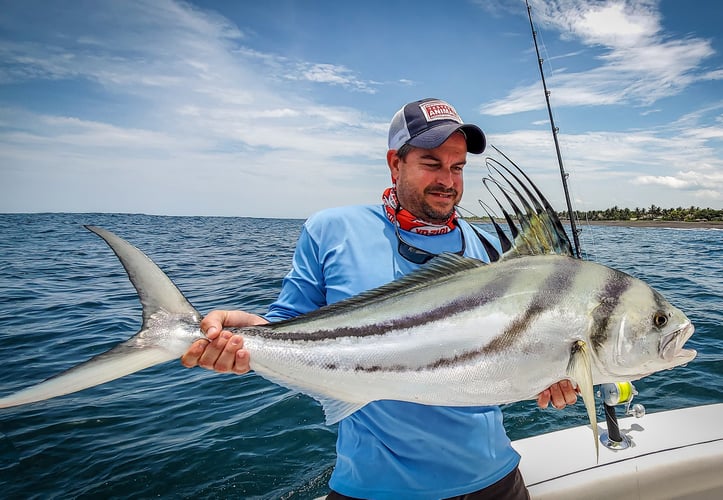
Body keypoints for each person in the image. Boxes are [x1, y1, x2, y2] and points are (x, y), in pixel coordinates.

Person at [181, 98, 578, 499]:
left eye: (457, 167)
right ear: (395, 163)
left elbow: (512, 357)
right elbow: (286, 329)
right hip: (372, 489)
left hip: (494, 481)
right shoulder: (331, 230)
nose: (448, 180)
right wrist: (245, 342)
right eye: (431, 163)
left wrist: (555, 375)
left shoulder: (496, 255)